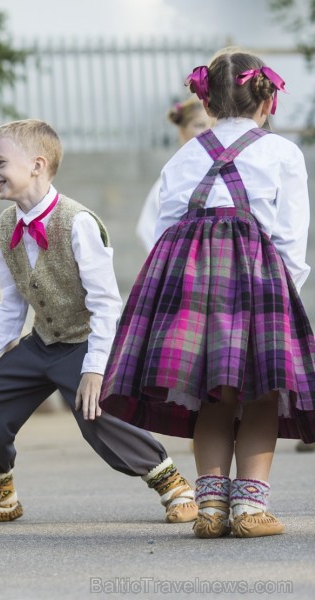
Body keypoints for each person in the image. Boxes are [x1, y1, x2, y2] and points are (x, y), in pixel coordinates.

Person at [0, 119, 198, 526]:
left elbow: (106, 303)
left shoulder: (78, 222)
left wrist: (95, 369)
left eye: (0, 162)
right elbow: (10, 306)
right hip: (42, 342)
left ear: (37, 165)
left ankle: (175, 487)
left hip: (87, 340)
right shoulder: (5, 227)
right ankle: (0, 498)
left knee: (96, 414)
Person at [100, 49, 315, 539]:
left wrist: (169, 294)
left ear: (208, 103)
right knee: (261, 392)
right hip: (256, 280)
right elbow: (289, 236)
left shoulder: (183, 154)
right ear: (267, 101)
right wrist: (286, 293)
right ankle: (249, 509)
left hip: (190, 283)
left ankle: (211, 506)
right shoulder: (282, 152)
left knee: (211, 396)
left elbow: (165, 229)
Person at [136, 97, 212, 253]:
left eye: (212, 125)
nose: (207, 131)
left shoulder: (223, 170)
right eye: (199, 125)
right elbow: (146, 228)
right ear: (182, 131)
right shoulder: (172, 177)